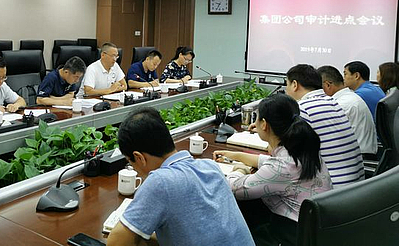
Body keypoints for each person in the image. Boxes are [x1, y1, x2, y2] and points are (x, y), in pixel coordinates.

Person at [107, 107, 254, 246]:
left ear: (139, 158)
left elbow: (115, 243)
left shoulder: (160, 182)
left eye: (130, 162)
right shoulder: (210, 166)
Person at [214, 93, 332, 246]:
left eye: (257, 118)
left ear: (264, 124)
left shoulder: (282, 167)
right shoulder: (303, 148)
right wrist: (235, 155)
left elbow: (235, 189)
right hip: (315, 229)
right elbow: (271, 163)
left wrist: (239, 170)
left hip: (291, 235)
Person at [285, 64, 364, 186]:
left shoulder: (303, 108)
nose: (286, 91)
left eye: (287, 85)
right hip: (355, 185)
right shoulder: (332, 102)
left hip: (334, 188)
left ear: (295, 84)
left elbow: (287, 156)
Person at [318, 65, 377, 156]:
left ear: (327, 85)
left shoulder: (340, 105)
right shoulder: (349, 97)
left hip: (358, 157)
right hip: (359, 154)